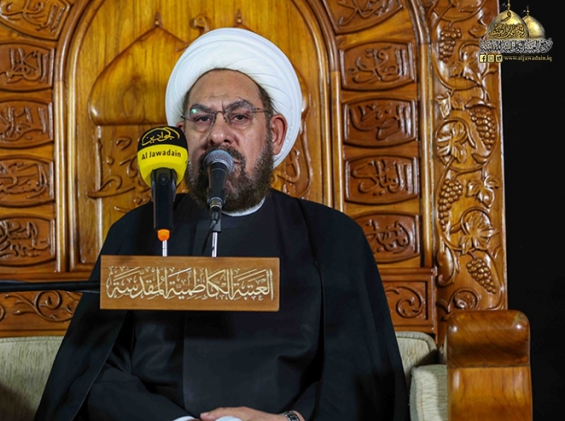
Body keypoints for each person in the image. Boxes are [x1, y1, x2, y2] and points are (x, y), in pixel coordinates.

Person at [34, 28, 409, 421]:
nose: (217, 134)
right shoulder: (138, 232)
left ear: (275, 134)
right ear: (183, 136)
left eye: (239, 116)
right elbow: (93, 374)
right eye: (201, 119)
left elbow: (360, 379)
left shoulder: (331, 237)